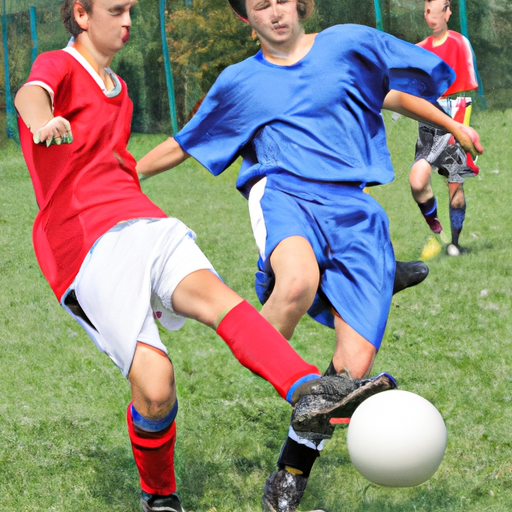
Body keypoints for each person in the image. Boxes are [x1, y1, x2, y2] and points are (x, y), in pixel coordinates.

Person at [13, 1, 397, 511]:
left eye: (131, 10)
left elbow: (119, 165)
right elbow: (29, 93)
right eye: (115, 10)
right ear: (81, 15)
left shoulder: (120, 91)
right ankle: (160, 496)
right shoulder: (59, 66)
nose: (128, 21)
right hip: (84, 243)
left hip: (147, 222)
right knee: (156, 390)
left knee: (220, 301)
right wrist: (43, 122)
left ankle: (311, 390)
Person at [136, 1, 483, 510]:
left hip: (355, 212)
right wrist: (122, 177)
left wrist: (453, 128)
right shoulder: (239, 82)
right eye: (259, 6)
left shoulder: (345, 45)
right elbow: (185, 143)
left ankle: (288, 476)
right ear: (245, 18)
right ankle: (274, 333)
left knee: (349, 374)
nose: (275, 12)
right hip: (286, 193)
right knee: (295, 281)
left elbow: (392, 92)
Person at [410, 0, 481, 256]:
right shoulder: (418, 50)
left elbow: (465, 87)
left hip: (455, 113)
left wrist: (460, 126)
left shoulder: (459, 43)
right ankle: (438, 232)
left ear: (447, 13)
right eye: (428, 9)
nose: (432, 14)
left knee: (455, 183)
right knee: (418, 180)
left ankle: (455, 242)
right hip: (429, 117)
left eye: (443, 7)